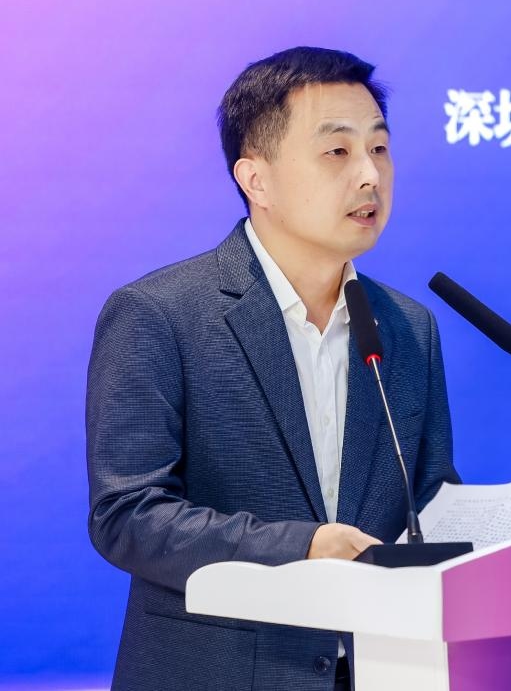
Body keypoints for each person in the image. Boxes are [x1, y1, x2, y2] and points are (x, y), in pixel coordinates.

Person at [86, 47, 458, 691]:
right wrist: (302, 548)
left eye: (380, 148)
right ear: (256, 180)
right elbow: (128, 515)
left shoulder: (407, 327)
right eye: (337, 151)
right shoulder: (160, 314)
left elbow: (428, 502)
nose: (369, 174)